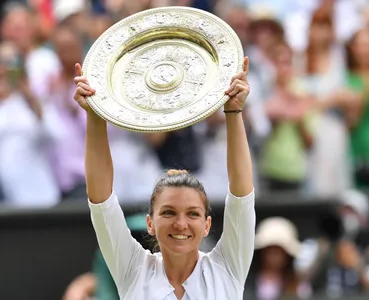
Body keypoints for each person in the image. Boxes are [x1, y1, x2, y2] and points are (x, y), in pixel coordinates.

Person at [73, 56, 255, 299]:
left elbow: (241, 194)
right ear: (150, 223)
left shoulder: (227, 266)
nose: (181, 224)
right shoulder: (133, 269)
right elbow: (101, 200)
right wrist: (95, 115)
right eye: (168, 212)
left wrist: (233, 111)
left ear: (207, 225)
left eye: (193, 214)